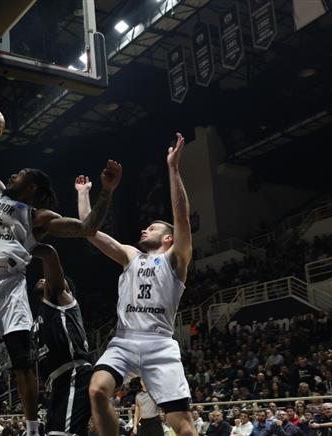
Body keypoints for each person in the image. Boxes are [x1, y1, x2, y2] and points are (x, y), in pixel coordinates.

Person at [0, 89, 121, 436]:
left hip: (11, 283)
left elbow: (88, 228)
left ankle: (32, 428)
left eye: (21, 174)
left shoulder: (38, 217)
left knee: (23, 360)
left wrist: (105, 192)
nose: (13, 173)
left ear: (31, 187)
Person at [77, 133, 196, 436]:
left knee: (181, 426)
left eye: (152, 227)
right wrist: (84, 193)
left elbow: (181, 214)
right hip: (125, 341)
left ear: (168, 238)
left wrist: (173, 168)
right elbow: (90, 232)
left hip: (159, 343)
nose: (145, 228)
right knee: (96, 390)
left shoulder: (175, 258)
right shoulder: (131, 255)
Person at [30, 243, 91, 436]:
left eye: (48, 278)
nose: (43, 278)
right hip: (57, 382)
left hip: (74, 374)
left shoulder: (62, 300)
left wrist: (22, 245)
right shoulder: (39, 317)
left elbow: (49, 254)